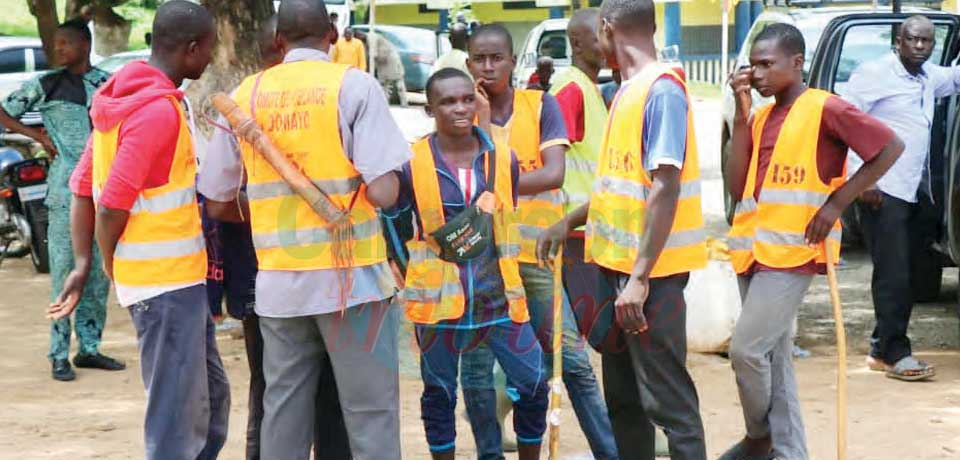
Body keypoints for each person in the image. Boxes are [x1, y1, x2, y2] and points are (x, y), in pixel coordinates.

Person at [200, 1, 408, 458]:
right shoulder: (353, 86)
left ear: (278, 40)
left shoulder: (247, 94)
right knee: (370, 413)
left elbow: (217, 197)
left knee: (284, 409)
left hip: (279, 284)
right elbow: (384, 193)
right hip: (352, 281)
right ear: (332, 34)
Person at [48, 2, 230, 459]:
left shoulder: (122, 99)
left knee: (210, 403)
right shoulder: (155, 113)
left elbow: (83, 186)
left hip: (176, 282)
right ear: (191, 49)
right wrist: (107, 262)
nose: (209, 59)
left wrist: (85, 261)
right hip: (162, 285)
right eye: (208, 49)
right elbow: (109, 204)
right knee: (177, 419)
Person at [723, 23, 903, 460]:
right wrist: (742, 107)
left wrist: (837, 204)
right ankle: (789, 453)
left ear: (797, 63)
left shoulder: (826, 108)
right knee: (777, 362)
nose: (758, 74)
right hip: (753, 249)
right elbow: (735, 184)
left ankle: (758, 438)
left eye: (767, 65)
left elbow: (889, 147)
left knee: (746, 352)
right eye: (754, 66)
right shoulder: (761, 116)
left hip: (794, 250)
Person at [540, 0, 709, 458]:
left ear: (609, 28)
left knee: (669, 403)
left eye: (597, 33)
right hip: (615, 274)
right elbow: (621, 188)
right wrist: (570, 221)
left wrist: (639, 279)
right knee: (626, 403)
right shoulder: (627, 92)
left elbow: (664, 187)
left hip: (650, 279)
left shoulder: (662, 91)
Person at [386, 66, 548, 460]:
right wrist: (414, 275)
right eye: (448, 102)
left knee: (534, 383)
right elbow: (394, 225)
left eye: (465, 100)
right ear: (430, 109)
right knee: (439, 394)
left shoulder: (502, 159)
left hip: (499, 300)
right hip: (439, 306)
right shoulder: (411, 163)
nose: (460, 109)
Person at [459, 23, 570, 460]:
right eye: (479, 60)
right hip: (482, 263)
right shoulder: (457, 110)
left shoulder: (541, 105)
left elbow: (554, 173)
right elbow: (461, 188)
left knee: (562, 362)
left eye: (496, 58)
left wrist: (496, 183)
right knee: (477, 368)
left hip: (535, 254)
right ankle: (489, 451)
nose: (488, 68)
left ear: (512, 61)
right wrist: (481, 126)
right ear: (468, 64)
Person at [0, 19, 120, 382]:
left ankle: (89, 348)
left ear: (85, 45)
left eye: (65, 44)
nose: (59, 50)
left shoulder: (107, 84)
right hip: (66, 187)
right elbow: (4, 111)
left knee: (100, 273)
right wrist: (36, 134)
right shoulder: (45, 84)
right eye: (57, 44)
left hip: (104, 187)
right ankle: (58, 353)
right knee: (66, 271)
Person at [845, 15, 960, 381]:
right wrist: (860, 182)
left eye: (927, 42)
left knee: (908, 272)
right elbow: (846, 123)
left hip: (914, 190)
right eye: (913, 40)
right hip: (882, 189)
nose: (921, 47)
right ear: (899, 40)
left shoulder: (929, 77)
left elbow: (955, 77)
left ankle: (882, 348)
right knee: (893, 273)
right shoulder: (874, 74)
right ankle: (895, 353)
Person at [536, 7, 621, 460]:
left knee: (570, 340)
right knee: (586, 341)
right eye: (602, 37)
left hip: (589, 229)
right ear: (580, 43)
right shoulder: (570, 90)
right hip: (571, 233)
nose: (610, 44)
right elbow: (551, 155)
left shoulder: (590, 88)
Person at [367, 31, 407, 106]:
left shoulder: (371, 37)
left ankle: (404, 102)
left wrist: (372, 68)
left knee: (397, 81)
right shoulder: (375, 38)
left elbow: (374, 54)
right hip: (385, 61)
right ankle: (385, 102)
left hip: (390, 60)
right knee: (385, 84)